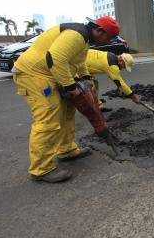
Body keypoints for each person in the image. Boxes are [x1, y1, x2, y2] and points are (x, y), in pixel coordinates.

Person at [12, 16, 120, 183]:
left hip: (51, 74)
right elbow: (54, 58)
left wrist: (85, 78)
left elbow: (78, 60)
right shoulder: (76, 35)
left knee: (68, 112)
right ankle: (40, 169)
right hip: (35, 74)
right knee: (48, 119)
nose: (109, 41)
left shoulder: (84, 39)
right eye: (108, 37)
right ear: (99, 31)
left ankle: (67, 150)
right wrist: (71, 87)